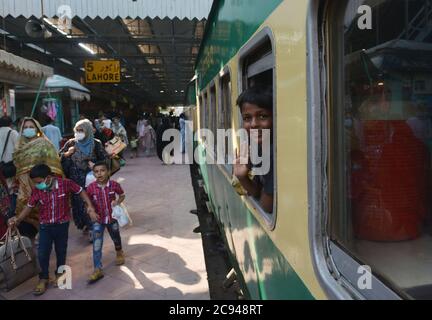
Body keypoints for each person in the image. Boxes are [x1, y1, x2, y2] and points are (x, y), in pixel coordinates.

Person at [8, 164, 96, 296]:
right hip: (45, 226)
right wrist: (18, 219)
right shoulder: (37, 191)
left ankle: (60, 273)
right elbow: (29, 206)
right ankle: (43, 278)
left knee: (61, 251)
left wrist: (90, 206)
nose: (37, 185)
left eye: (38, 182)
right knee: (43, 253)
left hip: (62, 225)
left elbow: (81, 191)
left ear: (48, 178)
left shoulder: (65, 184)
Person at [13, 117, 64, 239]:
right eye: (25, 128)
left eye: (31, 127)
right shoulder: (19, 146)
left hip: (40, 183)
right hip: (25, 185)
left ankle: (44, 233)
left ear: (37, 129)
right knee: (25, 208)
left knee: (42, 207)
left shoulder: (44, 143)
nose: (28, 129)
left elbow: (54, 163)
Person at [59, 119, 108, 240]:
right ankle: (86, 224)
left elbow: (105, 160)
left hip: (91, 180)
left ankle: (93, 226)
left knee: (91, 201)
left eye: (82, 130)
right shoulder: (71, 143)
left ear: (88, 131)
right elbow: (58, 158)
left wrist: (95, 165)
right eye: (77, 130)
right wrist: (67, 154)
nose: (78, 133)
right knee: (79, 204)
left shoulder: (96, 143)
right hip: (75, 180)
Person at [233, 86, 274, 213]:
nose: (253, 124)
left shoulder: (274, 154)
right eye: (247, 118)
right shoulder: (258, 146)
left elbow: (266, 207)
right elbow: (256, 191)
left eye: (262, 116)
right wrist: (242, 177)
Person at [86, 161, 125, 284]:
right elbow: (87, 202)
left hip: (112, 218)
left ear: (108, 172)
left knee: (115, 236)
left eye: (102, 171)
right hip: (98, 220)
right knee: (97, 244)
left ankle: (119, 251)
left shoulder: (114, 185)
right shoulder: (91, 188)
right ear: (93, 174)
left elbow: (122, 195)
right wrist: (90, 211)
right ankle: (97, 268)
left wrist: (117, 202)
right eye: (96, 172)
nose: (99, 174)